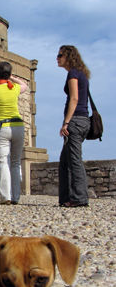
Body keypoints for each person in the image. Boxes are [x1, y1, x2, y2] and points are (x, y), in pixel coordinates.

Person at [0, 62, 27, 204]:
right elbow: (25, 86)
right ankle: (16, 197)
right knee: (15, 163)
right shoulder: (14, 87)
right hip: (18, 126)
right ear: (9, 75)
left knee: (3, 162)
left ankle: (5, 197)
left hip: (1, 126)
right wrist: (13, 78)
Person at [57, 45, 90, 207]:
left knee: (75, 161)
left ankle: (79, 198)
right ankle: (65, 199)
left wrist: (66, 123)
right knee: (65, 162)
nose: (57, 58)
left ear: (68, 56)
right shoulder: (81, 73)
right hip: (83, 120)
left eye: (60, 55)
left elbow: (75, 99)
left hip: (76, 121)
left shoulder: (73, 73)